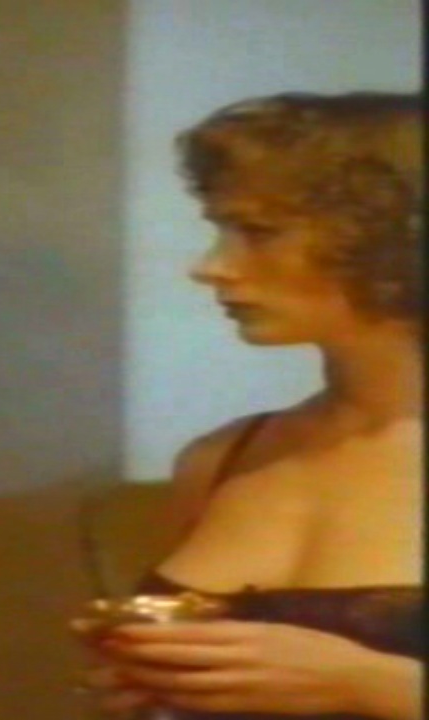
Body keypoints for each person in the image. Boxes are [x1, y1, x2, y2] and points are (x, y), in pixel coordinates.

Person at [80, 92, 423, 720]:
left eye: (259, 233)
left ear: (396, 243)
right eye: (220, 230)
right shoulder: (223, 457)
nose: (210, 267)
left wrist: (374, 685)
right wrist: (161, 686)